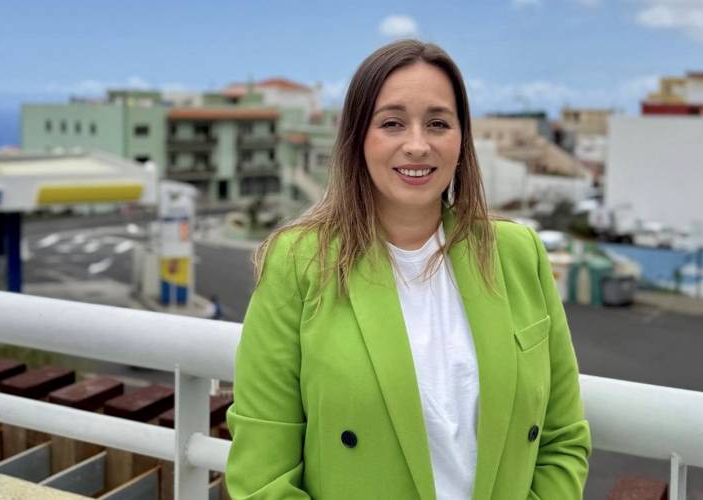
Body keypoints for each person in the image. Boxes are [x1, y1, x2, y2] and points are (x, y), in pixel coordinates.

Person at [225, 40, 591, 500]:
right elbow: (262, 475)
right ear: (358, 138)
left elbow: (562, 437)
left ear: (461, 140)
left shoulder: (517, 253)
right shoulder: (299, 262)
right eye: (392, 123)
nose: (417, 145)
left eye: (438, 123)